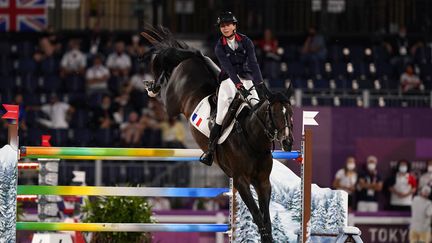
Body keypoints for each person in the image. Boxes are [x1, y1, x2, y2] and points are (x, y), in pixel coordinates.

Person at [199, 11, 269, 166]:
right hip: (228, 80)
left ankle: (265, 145)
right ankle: (210, 151)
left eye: (227, 25)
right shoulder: (219, 46)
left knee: (257, 108)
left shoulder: (247, 42)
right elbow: (228, 69)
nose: (224, 28)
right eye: (222, 26)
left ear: (234, 26)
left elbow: (254, 64)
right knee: (221, 114)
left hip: (247, 78)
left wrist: (260, 85)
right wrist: (238, 86)